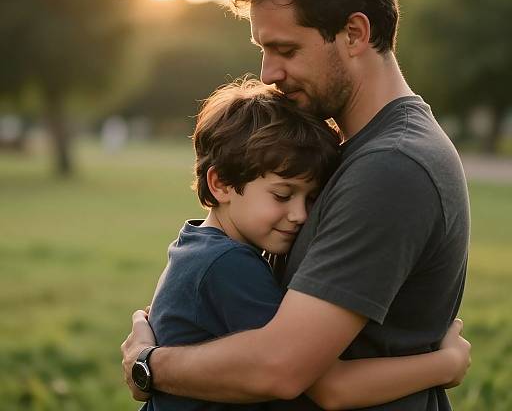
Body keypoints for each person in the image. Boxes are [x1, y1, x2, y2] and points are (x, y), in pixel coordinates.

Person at [122, 0, 471, 410]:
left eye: (286, 50)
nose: (267, 74)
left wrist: (149, 362)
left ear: (354, 33)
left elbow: (281, 367)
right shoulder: (349, 151)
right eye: (263, 50)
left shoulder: (391, 165)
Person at [137, 79, 469, 411]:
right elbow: (323, 384)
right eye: (282, 195)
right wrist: (445, 364)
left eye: (311, 199)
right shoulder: (229, 265)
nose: (299, 215)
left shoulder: (194, 245)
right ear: (221, 184)